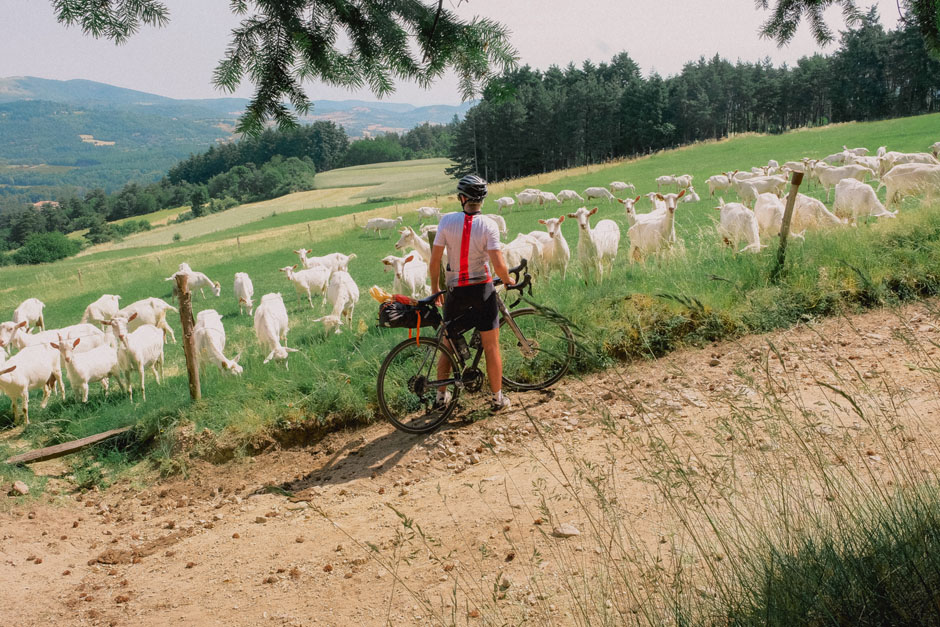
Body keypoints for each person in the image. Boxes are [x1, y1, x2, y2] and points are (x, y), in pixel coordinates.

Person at [429, 174, 514, 412]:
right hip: (482, 292)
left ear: (462, 198)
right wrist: (508, 279)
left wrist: (436, 289)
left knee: (447, 344)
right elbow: (498, 263)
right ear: (481, 200)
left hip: (455, 292)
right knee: (491, 347)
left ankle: (440, 396)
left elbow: (435, 261)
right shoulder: (489, 224)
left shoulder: (446, 221)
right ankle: (497, 399)